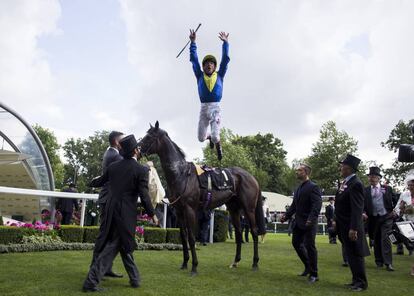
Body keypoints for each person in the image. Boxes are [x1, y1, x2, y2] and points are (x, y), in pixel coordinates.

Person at [82, 135, 158, 292]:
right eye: (138, 148)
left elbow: (100, 181)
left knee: (123, 244)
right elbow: (144, 196)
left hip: (110, 210)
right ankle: (91, 281)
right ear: (135, 150)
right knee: (115, 245)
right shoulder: (141, 170)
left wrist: (90, 182)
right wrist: (153, 214)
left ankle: (135, 278)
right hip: (125, 214)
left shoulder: (114, 166)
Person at [189, 29, 230, 161]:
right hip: (203, 108)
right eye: (206, 64)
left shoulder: (220, 74)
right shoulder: (199, 75)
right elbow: (194, 60)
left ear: (214, 66)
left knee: (216, 136)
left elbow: (225, 60)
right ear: (204, 66)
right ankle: (210, 138)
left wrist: (226, 43)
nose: (209, 65)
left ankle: (217, 143)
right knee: (201, 138)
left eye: (211, 63)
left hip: (215, 108)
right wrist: (193, 42)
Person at [281, 163, 322, 284]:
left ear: (306, 172)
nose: (296, 172)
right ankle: (308, 266)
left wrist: (311, 219)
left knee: (310, 247)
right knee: (296, 243)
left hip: (309, 223)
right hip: (298, 222)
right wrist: (286, 216)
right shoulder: (298, 188)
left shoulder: (314, 187)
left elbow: (317, 205)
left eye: (299, 170)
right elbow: (294, 206)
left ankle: (314, 274)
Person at [91, 131, 124, 278]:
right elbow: (128, 166)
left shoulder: (111, 153)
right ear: (117, 142)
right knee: (104, 235)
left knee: (109, 235)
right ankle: (95, 269)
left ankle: (106, 268)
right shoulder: (115, 156)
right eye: (123, 140)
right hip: (109, 199)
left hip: (108, 198)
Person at [334, 154, 370, 292]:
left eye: (342, 166)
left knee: (356, 254)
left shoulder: (356, 183)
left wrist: (354, 228)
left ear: (349, 168)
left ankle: (361, 283)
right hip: (343, 224)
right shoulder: (346, 182)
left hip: (351, 225)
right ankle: (355, 280)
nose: (340, 167)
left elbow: (357, 208)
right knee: (350, 254)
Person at [363, 166, 396, 271]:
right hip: (373, 218)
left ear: (378, 178)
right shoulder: (366, 190)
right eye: (369, 176)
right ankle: (379, 261)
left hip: (386, 217)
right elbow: (362, 203)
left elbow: (396, 200)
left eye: (373, 176)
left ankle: (388, 263)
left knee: (385, 238)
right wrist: (363, 212)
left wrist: (395, 211)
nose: (371, 178)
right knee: (376, 239)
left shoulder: (387, 188)